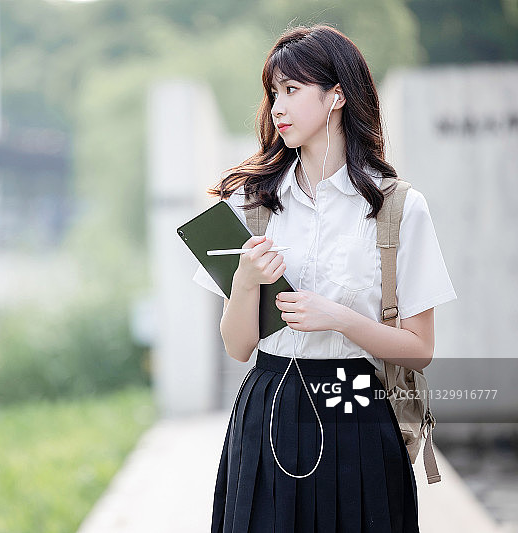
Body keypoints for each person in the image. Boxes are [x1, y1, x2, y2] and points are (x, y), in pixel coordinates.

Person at [192, 24, 457, 532]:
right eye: (273, 93)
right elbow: (238, 347)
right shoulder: (248, 204)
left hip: (356, 396)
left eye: (292, 90)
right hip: (269, 401)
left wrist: (338, 318)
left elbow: (420, 348)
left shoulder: (398, 208)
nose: (277, 107)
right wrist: (246, 282)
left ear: (336, 96)